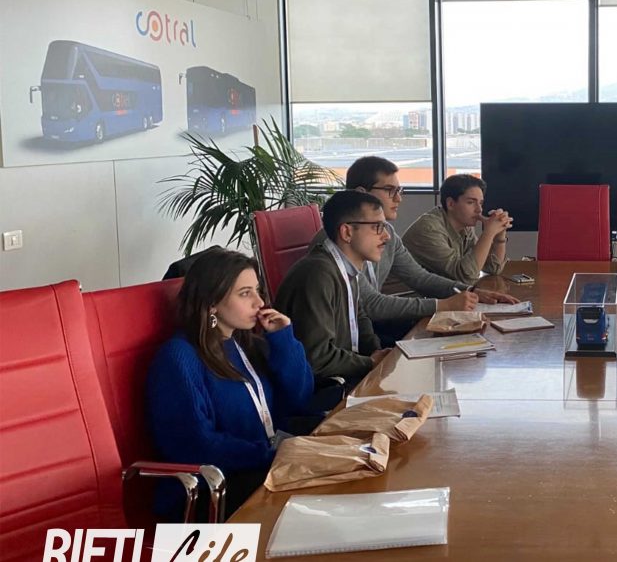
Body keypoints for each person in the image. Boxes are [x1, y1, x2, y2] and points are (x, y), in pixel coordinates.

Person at [146, 249, 314, 520]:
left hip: (260, 470)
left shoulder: (244, 345)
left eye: (257, 290)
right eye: (245, 293)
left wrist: (284, 339)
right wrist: (274, 454)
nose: (260, 302)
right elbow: (197, 445)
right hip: (212, 492)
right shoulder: (179, 357)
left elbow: (299, 399)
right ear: (212, 302)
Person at [316, 157, 518, 341]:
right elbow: (371, 304)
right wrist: (443, 305)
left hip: (373, 326)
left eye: (399, 191)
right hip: (351, 335)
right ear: (362, 193)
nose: (398, 199)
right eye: (390, 190)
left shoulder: (388, 233)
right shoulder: (339, 237)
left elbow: (420, 277)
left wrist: (471, 291)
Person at [275, 190, 392, 387]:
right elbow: (318, 358)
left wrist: (376, 353)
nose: (387, 236)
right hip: (319, 389)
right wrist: (370, 363)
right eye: (377, 227)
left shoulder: (344, 267)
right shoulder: (318, 274)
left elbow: (359, 317)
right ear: (347, 232)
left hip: (344, 375)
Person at [402, 174, 511, 284]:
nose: (479, 209)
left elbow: (493, 268)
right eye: (471, 202)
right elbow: (465, 276)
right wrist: (489, 232)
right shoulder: (429, 229)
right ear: (450, 204)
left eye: (480, 203)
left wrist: (499, 236)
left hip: (436, 291)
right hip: (404, 292)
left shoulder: (465, 226)